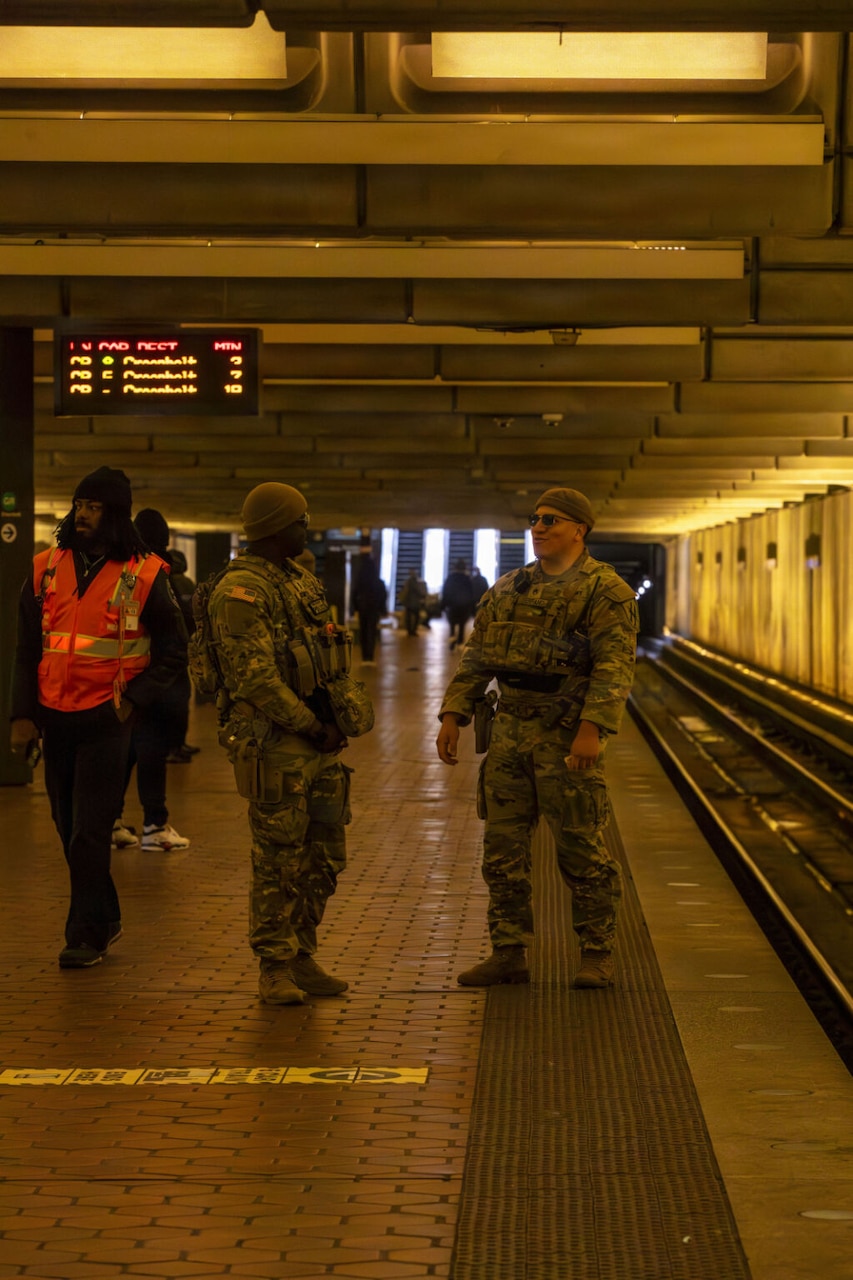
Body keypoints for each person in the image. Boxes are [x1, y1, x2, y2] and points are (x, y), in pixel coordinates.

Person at [435, 487, 639, 990]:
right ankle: (508, 951)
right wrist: (452, 714)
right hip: (508, 735)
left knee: (580, 848)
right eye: (535, 519)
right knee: (502, 849)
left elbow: (614, 668)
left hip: (566, 735)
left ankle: (596, 953)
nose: (539, 527)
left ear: (579, 529)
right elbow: (477, 655)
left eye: (551, 520)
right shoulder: (509, 588)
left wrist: (592, 730)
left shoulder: (603, 591)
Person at [9, 466, 188, 968]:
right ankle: (105, 914)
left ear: (116, 514)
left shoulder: (147, 573)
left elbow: (175, 650)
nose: (83, 515)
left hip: (108, 719)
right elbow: (27, 649)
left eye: (94, 507)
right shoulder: (45, 567)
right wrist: (21, 716)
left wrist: (135, 699)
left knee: (91, 829)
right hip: (54, 717)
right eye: (79, 504)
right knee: (67, 828)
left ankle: (84, 935)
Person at [205, 482, 374, 1006]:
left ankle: (303, 954)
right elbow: (254, 679)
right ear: (277, 527)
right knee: (279, 858)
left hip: (317, 742)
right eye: (300, 520)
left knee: (325, 854)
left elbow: (325, 653)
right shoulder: (241, 592)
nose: (307, 528)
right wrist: (311, 725)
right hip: (277, 743)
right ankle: (274, 965)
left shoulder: (297, 581)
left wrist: (338, 716)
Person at [111, 508, 191, 851]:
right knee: (151, 756)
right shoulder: (159, 576)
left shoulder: (120, 574)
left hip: (123, 683)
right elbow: (176, 638)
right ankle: (154, 825)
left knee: (123, 756)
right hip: (155, 687)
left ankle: (112, 823)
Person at [350, 554, 387, 664]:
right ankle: (370, 657)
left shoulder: (360, 582)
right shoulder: (378, 582)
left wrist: (355, 608)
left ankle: (364, 657)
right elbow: (383, 596)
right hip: (374, 609)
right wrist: (382, 609)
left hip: (363, 609)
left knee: (363, 631)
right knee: (372, 631)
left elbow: (354, 595)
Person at [441, 559, 476, 650]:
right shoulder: (467, 578)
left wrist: (443, 605)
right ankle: (460, 641)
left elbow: (446, 591)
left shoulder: (450, 578)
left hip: (452, 605)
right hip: (464, 605)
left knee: (452, 623)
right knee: (462, 624)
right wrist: (473, 609)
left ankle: (452, 636)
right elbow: (471, 593)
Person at [399, 568, 427, 637]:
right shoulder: (416, 582)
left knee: (408, 617)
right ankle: (413, 630)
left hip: (408, 602)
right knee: (416, 616)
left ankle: (409, 631)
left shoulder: (407, 582)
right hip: (415, 602)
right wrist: (423, 595)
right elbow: (419, 591)